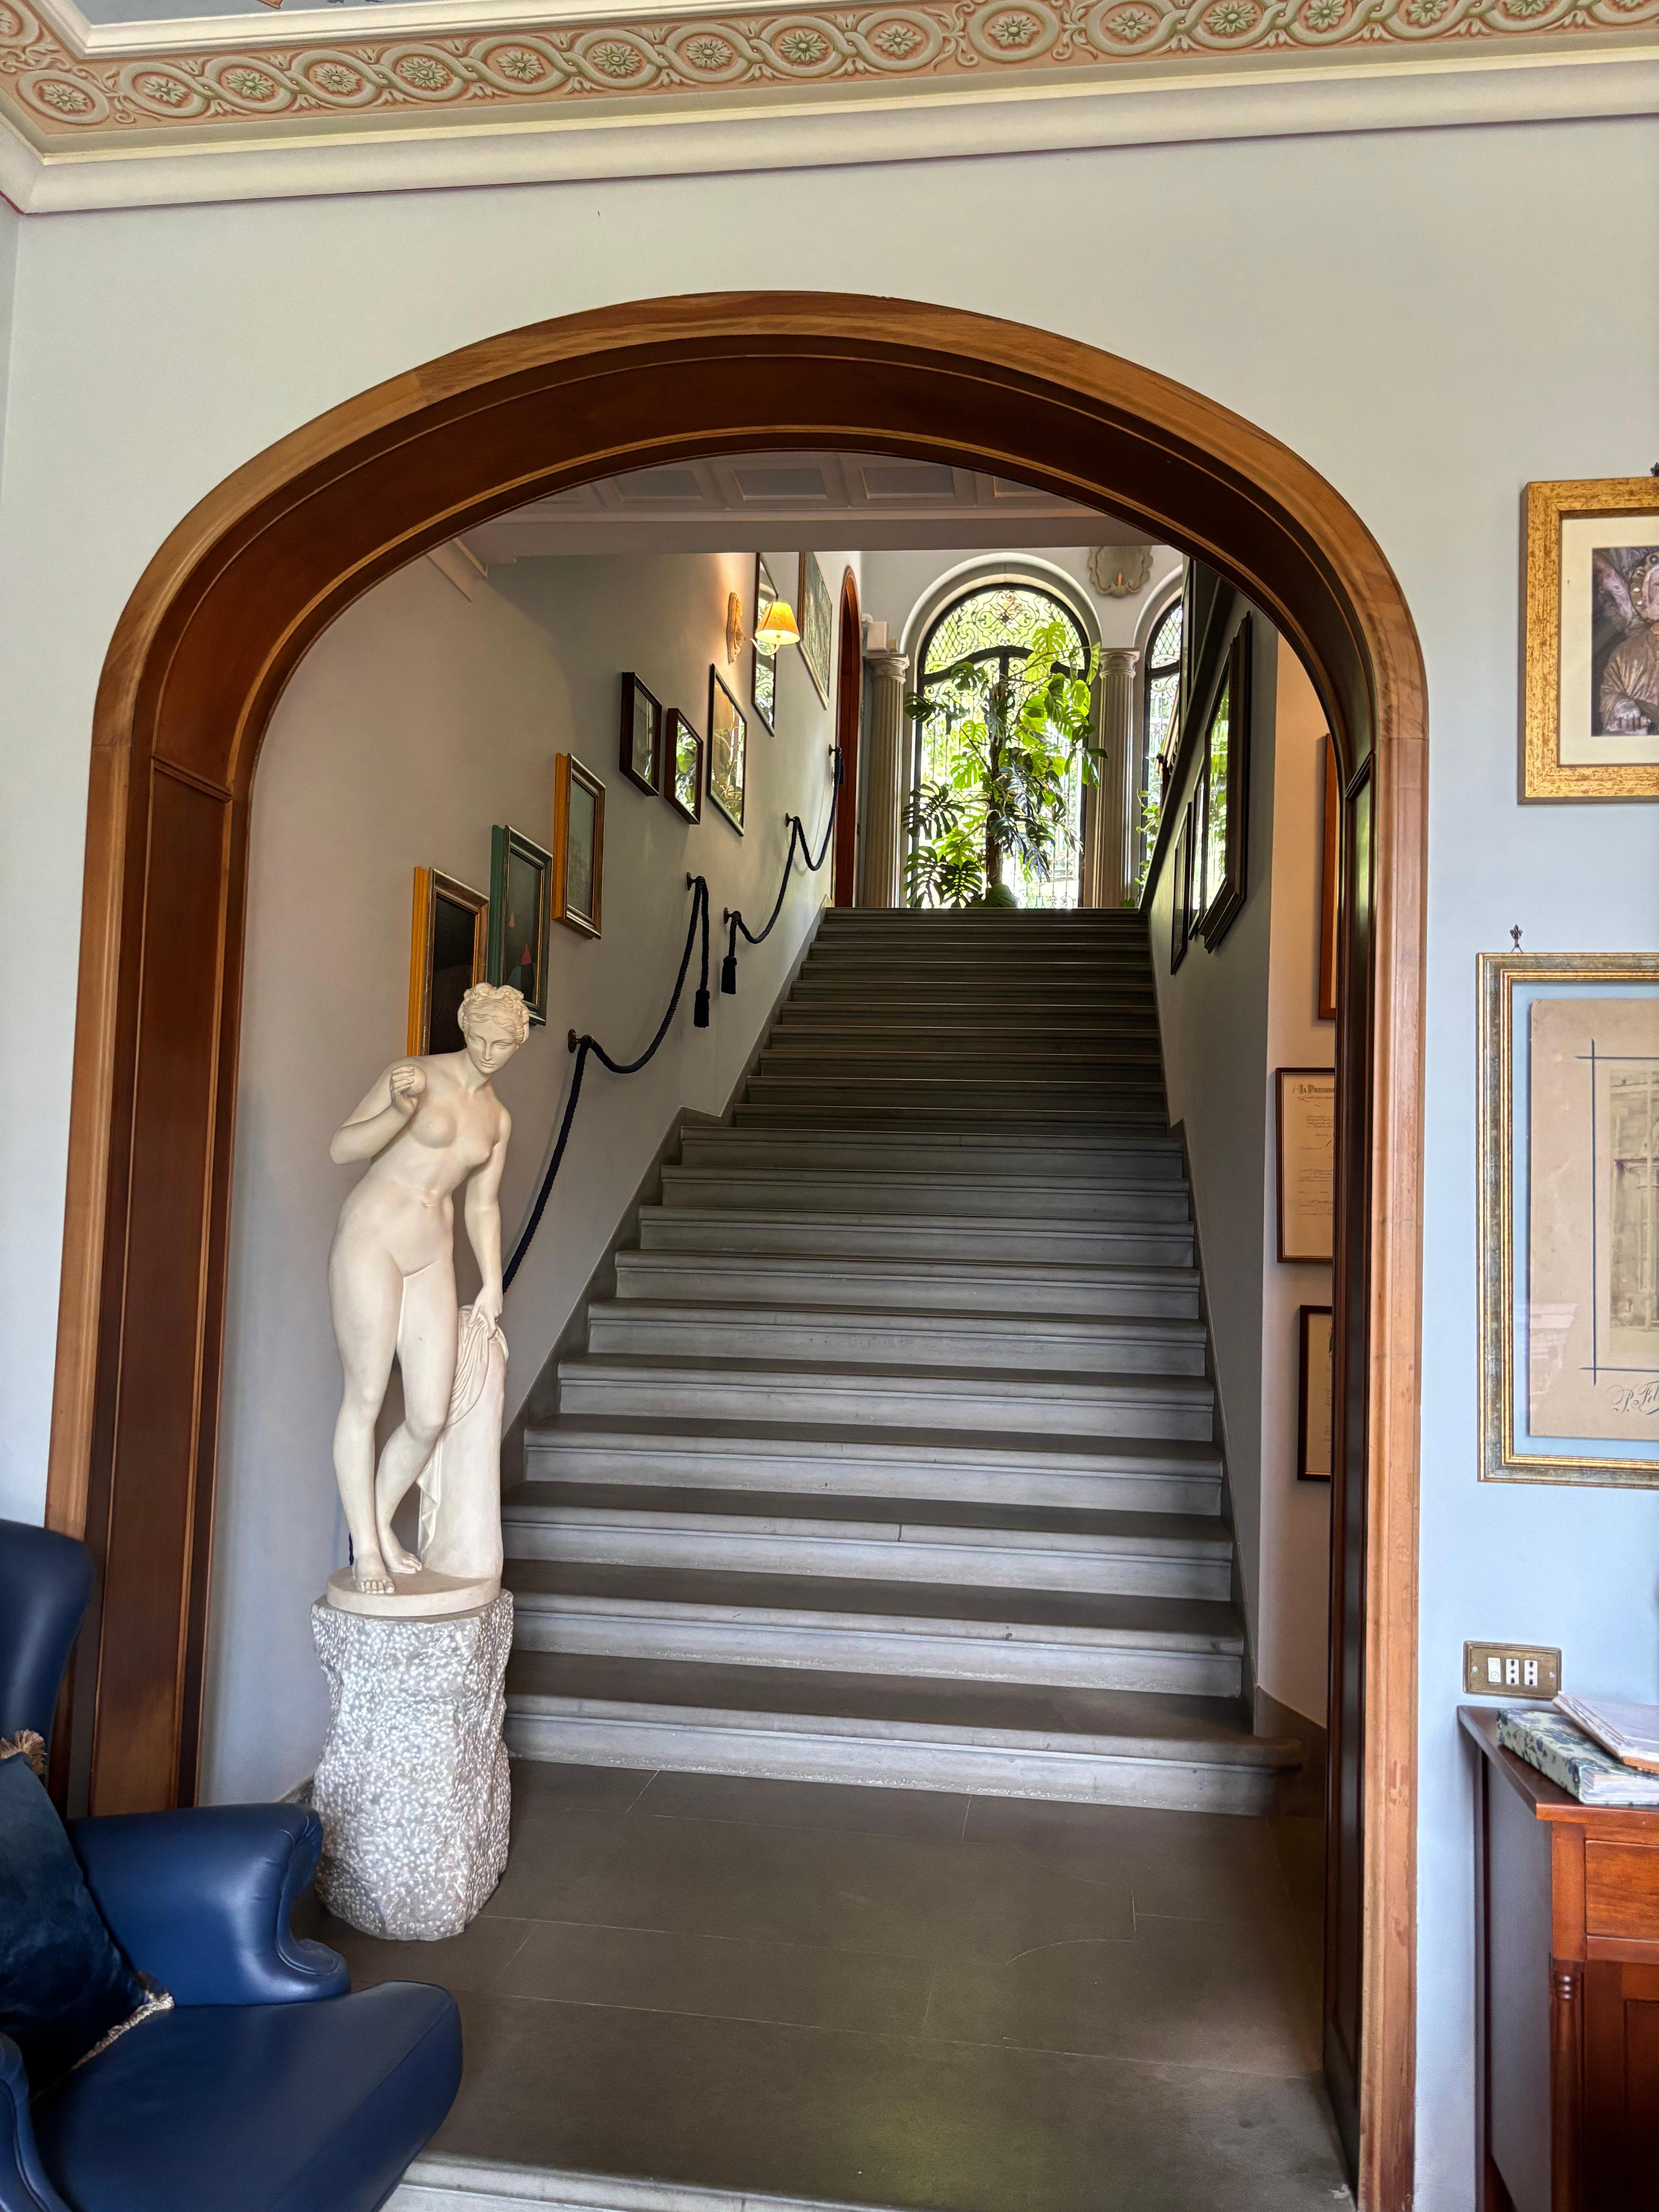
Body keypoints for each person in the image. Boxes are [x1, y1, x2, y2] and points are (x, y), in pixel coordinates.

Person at [326, 982, 527, 1595]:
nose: (490, 1052)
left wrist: (492, 1282)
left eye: (503, 1043)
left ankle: (380, 1523)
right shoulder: (414, 1075)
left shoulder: (497, 1119)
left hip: (431, 1255)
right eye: (480, 1039)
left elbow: (482, 1206)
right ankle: (368, 1548)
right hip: (373, 1238)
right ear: (465, 1029)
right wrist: (396, 1111)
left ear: (519, 1040)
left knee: (429, 1413)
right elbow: (341, 1149)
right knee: (363, 1397)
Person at [1599, 553, 1659, 735]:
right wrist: (1622, 705)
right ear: (1645, 595)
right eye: (1658, 585)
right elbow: (1610, 693)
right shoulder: (1626, 653)